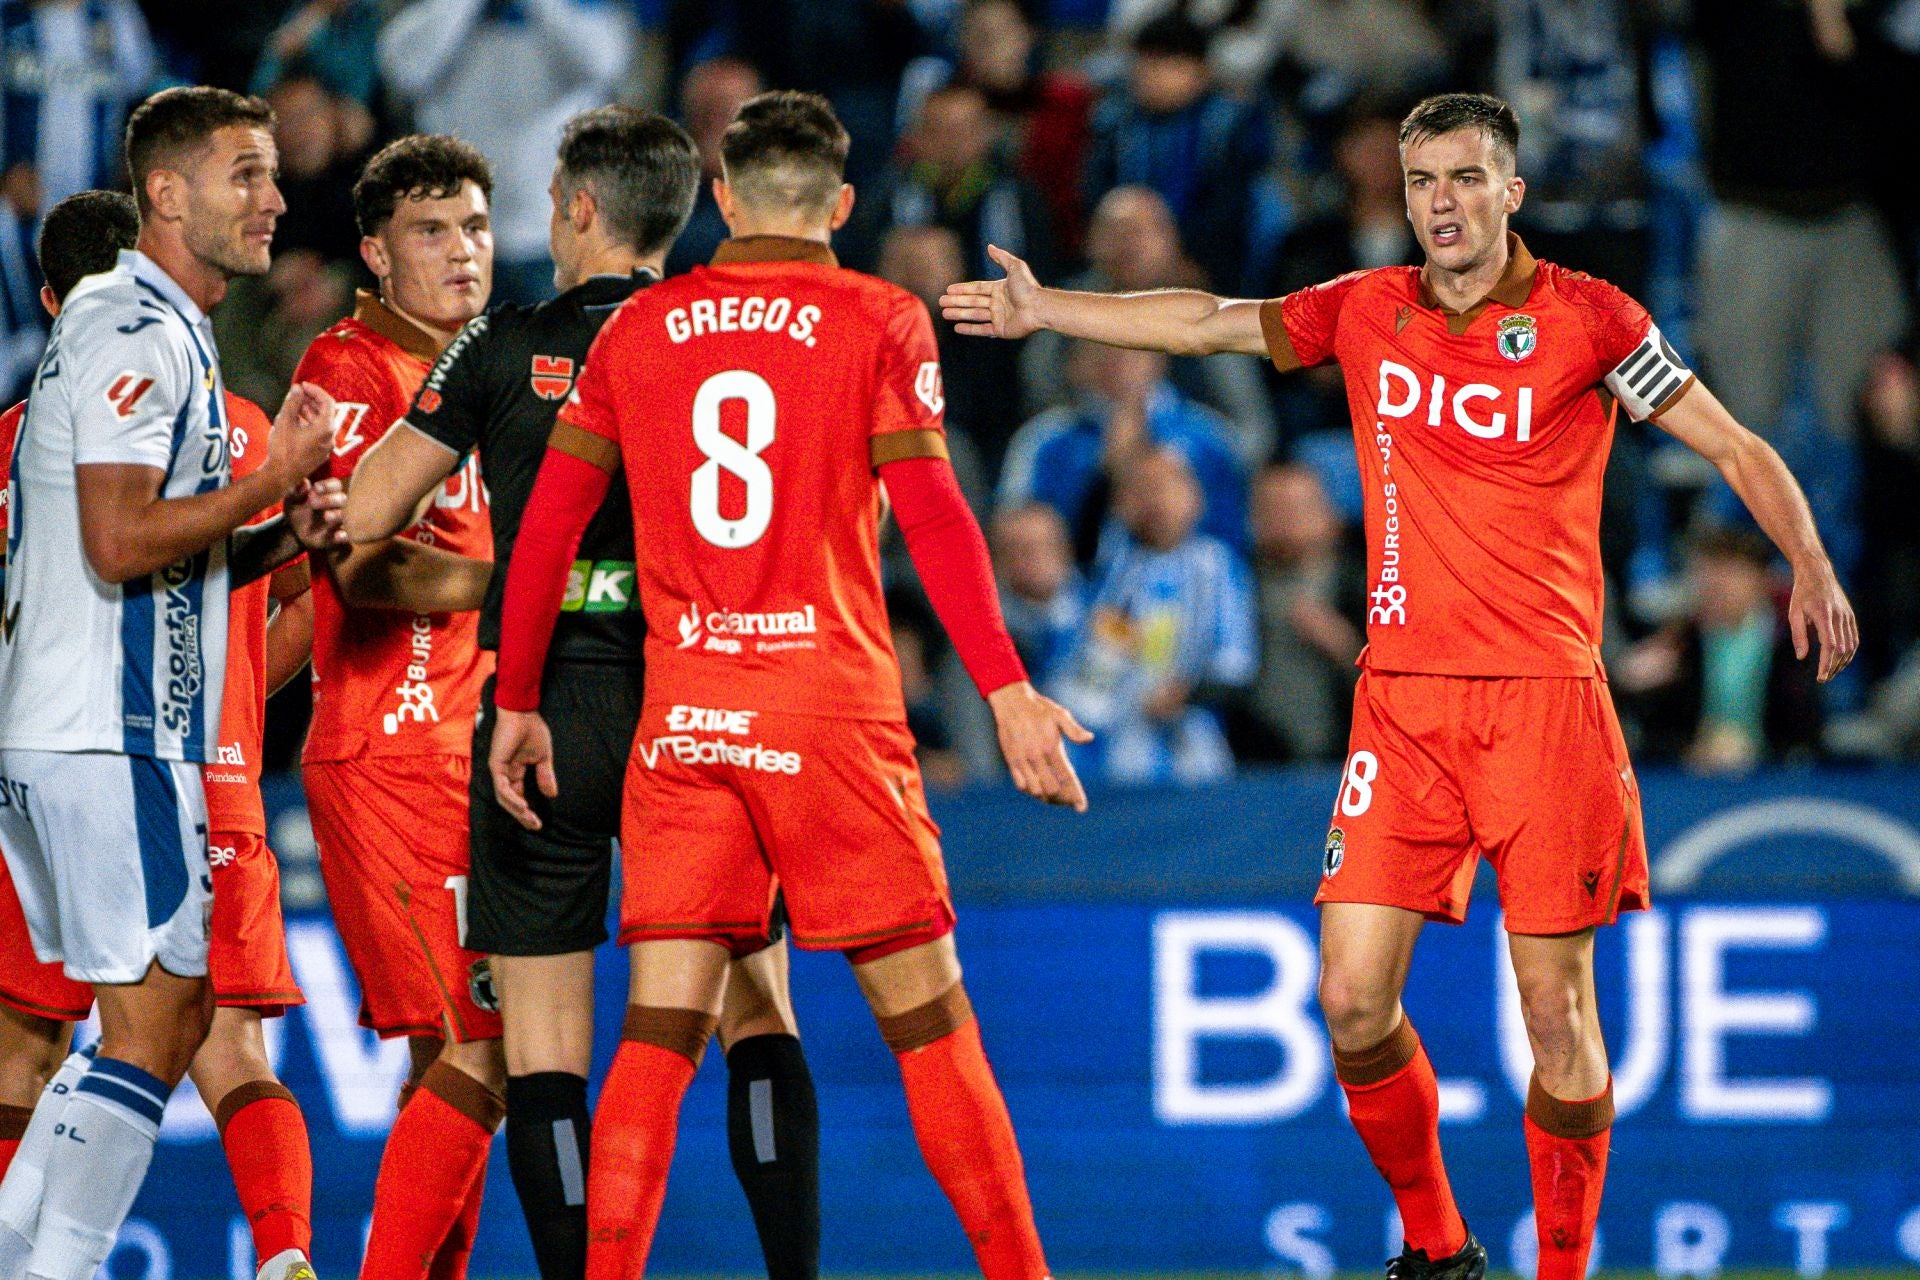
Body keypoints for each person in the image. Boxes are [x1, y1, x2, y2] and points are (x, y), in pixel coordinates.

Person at [942, 91, 1859, 1280]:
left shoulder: (1591, 318)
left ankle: (1564, 1266)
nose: (1442, 201)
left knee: (1555, 1012)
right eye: (1425, 179)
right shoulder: (1367, 309)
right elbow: (1213, 321)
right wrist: (1046, 306)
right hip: (1403, 705)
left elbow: (1733, 443)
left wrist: (1811, 562)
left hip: (1543, 703)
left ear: (1513, 191)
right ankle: (1440, 1247)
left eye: (1469, 177)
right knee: (1351, 998)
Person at [490, 90, 1089, 1280]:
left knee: (658, 1038)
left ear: (721, 200)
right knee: (928, 1025)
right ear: (845, 205)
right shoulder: (878, 317)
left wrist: (518, 699)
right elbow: (933, 510)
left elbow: (549, 532)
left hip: (688, 716)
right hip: (828, 712)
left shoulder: (637, 333)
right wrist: (1007, 685)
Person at [341, 106, 825, 1280]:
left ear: (579, 208)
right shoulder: (731, 339)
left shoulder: (503, 344)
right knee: (757, 1006)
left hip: (544, 711)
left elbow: (364, 511)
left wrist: (477, 558)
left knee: (545, 1050)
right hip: (700, 701)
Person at [0, 86, 340, 1280]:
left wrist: (278, 524)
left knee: (147, 1021)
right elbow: (119, 540)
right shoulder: (133, 325)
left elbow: (157, 556)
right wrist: (276, 471)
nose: (275, 198)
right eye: (245, 174)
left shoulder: (143, 324)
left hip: (80, 727)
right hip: (110, 735)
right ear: (166, 193)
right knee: (157, 1026)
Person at [290, 134, 500, 1280]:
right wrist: (518, 590)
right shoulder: (357, 365)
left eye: (473, 226)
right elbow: (361, 568)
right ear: (375, 253)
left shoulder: (486, 365)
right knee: (488, 1043)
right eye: (431, 231)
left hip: (461, 747)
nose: (462, 251)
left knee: (459, 1057)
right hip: (391, 746)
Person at [1050, 447, 1257, 785]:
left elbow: (1237, 665)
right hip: (1110, 748)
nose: (1154, 500)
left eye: (1166, 485)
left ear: (1196, 498)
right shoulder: (1113, 569)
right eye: (1140, 488)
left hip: (1191, 748)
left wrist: (1187, 694)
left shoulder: (1216, 566)